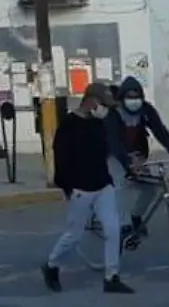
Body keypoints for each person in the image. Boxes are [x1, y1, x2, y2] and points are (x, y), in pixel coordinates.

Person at [42, 83, 132, 295]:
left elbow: (110, 149)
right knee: (74, 235)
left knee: (112, 229)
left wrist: (126, 164)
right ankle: (51, 265)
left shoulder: (99, 124)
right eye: (103, 105)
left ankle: (112, 277)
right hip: (80, 189)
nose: (105, 110)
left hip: (103, 185)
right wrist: (67, 187)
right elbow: (61, 159)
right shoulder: (69, 125)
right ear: (91, 101)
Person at [106, 75, 169, 242]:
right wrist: (128, 164)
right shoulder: (114, 114)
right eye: (130, 97)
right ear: (122, 98)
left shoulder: (146, 110)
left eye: (137, 97)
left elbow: (162, 133)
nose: (134, 101)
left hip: (137, 154)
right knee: (119, 184)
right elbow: (113, 142)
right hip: (115, 155)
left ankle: (136, 217)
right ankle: (123, 226)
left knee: (150, 187)